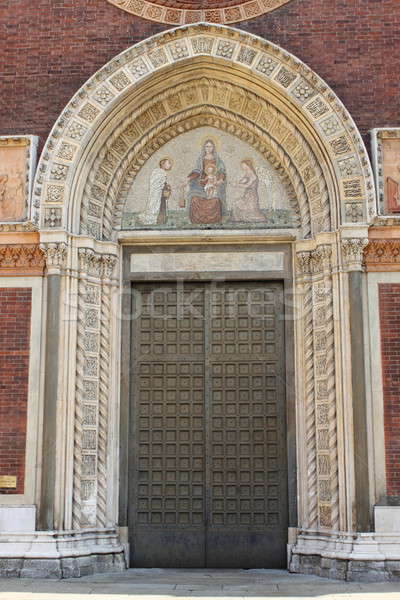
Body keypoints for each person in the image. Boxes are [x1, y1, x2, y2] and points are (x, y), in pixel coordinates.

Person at [187, 139, 226, 224]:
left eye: (210, 146)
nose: (208, 148)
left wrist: (220, 180)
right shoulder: (200, 159)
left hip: (214, 183)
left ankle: (214, 220)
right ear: (204, 148)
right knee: (194, 197)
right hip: (202, 183)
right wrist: (189, 178)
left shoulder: (218, 160)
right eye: (207, 146)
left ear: (214, 148)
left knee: (215, 198)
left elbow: (222, 171)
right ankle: (196, 220)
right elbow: (197, 171)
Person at [141, 158, 172, 225]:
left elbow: (161, 183)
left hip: (158, 193)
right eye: (168, 163)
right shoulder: (161, 172)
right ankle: (155, 220)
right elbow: (157, 183)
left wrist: (166, 185)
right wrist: (166, 187)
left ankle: (160, 220)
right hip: (158, 193)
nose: (170, 165)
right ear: (163, 164)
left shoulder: (158, 172)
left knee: (160, 206)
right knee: (157, 206)